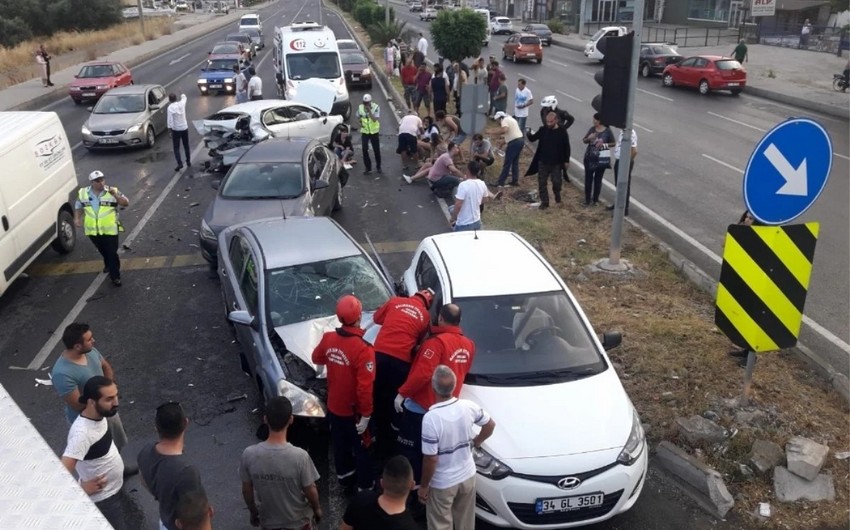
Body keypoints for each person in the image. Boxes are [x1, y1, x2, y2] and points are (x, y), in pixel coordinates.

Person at [395, 304, 476, 490]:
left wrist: (402, 393)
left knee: (412, 452)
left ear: (440, 318)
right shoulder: (469, 345)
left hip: (421, 409)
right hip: (448, 408)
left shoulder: (436, 343)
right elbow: (464, 370)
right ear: (460, 321)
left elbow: (422, 373)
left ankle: (413, 490)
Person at [311, 295, 376, 493]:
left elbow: (317, 357)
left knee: (340, 446)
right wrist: (366, 415)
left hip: (334, 407)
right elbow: (364, 388)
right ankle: (365, 487)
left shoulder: (329, 338)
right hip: (354, 412)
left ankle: (345, 480)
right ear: (358, 317)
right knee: (363, 448)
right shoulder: (364, 350)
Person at [418, 366, 496, 530]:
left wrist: (424, 486)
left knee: (440, 524)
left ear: (433, 388)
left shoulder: (431, 419)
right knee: (466, 523)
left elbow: (431, 458)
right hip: (467, 475)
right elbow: (490, 424)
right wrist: (477, 441)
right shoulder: (468, 406)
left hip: (442, 482)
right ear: (454, 385)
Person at [51, 323, 134, 469]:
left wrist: (109, 393)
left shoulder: (90, 351)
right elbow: (77, 404)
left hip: (107, 410)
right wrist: (104, 401)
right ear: (77, 346)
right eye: (89, 339)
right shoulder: (62, 374)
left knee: (116, 442)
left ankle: (118, 468)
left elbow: (105, 367)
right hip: (90, 420)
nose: (93, 341)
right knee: (100, 456)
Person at [240, 396, 322, 529]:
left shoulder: (249, 454)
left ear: (265, 419)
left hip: (269, 522)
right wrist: (317, 509)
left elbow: (246, 490)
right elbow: (310, 490)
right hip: (299, 522)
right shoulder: (300, 456)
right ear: (291, 419)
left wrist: (253, 512)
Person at [371, 289, 434, 457]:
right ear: (427, 304)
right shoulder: (425, 316)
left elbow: (377, 318)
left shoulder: (394, 301)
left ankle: (375, 427)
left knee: (375, 393)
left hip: (379, 356)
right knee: (394, 400)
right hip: (402, 362)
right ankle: (392, 434)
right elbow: (420, 339)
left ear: (414, 295)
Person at [61, 376, 126, 530]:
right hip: (105, 499)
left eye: (116, 396)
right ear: (91, 401)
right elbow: (59, 473)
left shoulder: (101, 414)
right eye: (109, 399)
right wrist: (81, 490)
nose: (116, 402)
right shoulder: (81, 435)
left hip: (114, 487)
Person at [138, 402, 207, 530]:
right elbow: (197, 516)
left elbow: (142, 480)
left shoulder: (145, 452)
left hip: (165, 521)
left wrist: (160, 495)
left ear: (156, 427)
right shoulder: (186, 472)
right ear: (186, 423)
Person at [74, 170, 129, 286]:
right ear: (92, 182)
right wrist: (77, 218)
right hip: (92, 230)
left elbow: (125, 203)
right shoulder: (83, 193)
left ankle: (115, 276)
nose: (101, 183)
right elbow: (79, 206)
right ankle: (108, 264)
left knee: (111, 253)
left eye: (102, 180)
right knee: (102, 250)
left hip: (110, 229)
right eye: (97, 181)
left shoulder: (112, 191)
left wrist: (115, 194)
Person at [340, 456, 418, 530]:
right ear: (412, 485)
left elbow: (345, 528)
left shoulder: (361, 499)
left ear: (381, 483)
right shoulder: (409, 526)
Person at [525, 111, 571, 210]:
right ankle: (544, 202)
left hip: (556, 163)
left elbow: (566, 147)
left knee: (556, 182)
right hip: (543, 161)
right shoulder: (543, 130)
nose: (549, 124)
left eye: (551, 122)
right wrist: (528, 133)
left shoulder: (562, 132)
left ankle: (557, 196)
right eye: (547, 122)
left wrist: (566, 160)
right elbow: (533, 138)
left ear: (556, 120)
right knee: (542, 183)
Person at [449, 161, 500, 231]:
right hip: (477, 221)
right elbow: (486, 199)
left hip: (464, 224)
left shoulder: (463, 185)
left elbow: (458, 205)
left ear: (468, 171)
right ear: (478, 172)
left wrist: (453, 218)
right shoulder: (482, 183)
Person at [539, 95, 574, 183]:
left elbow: (571, 119)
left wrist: (564, 128)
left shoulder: (561, 113)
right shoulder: (543, 111)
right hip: (549, 135)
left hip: (560, 136)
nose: (545, 108)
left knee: (563, 153)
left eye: (547, 107)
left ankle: (563, 172)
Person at [582, 113, 614, 206]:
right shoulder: (592, 129)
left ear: (599, 121)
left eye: (595, 120)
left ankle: (595, 199)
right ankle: (587, 199)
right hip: (590, 157)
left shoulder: (607, 131)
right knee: (588, 179)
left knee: (598, 179)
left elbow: (613, 143)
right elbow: (584, 140)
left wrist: (604, 145)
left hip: (601, 158)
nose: (593, 121)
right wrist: (589, 138)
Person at [607, 128, 638, 216]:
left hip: (624, 162)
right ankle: (617, 204)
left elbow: (634, 151)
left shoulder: (630, 133)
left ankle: (624, 208)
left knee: (624, 185)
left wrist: (626, 163)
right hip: (619, 160)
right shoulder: (622, 131)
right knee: (618, 184)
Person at [489, 111, 524, 187]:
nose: (498, 122)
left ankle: (500, 182)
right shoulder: (511, 119)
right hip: (520, 141)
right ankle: (515, 180)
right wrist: (500, 144)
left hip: (514, 143)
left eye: (497, 120)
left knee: (507, 163)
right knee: (515, 162)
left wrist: (492, 132)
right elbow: (510, 136)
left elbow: (504, 130)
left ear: (500, 118)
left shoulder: (505, 120)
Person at [357, 94, 382, 174]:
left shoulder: (376, 107)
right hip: (365, 131)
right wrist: (359, 124)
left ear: (370, 102)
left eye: (367, 103)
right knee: (364, 149)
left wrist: (370, 111)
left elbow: (375, 119)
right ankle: (368, 167)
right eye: (364, 103)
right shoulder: (360, 107)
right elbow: (357, 117)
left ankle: (378, 166)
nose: (366, 104)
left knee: (376, 149)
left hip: (374, 132)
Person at [167, 93, 191, 172]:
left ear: (170, 100)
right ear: (176, 98)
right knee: (186, 145)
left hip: (176, 130)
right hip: (184, 127)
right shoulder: (182, 103)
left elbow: (170, 120)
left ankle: (179, 163)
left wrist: (169, 130)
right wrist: (182, 93)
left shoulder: (170, 108)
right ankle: (188, 161)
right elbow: (184, 97)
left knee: (176, 147)